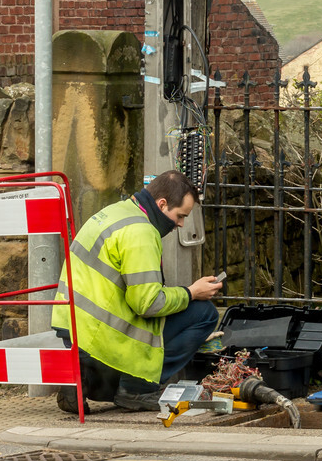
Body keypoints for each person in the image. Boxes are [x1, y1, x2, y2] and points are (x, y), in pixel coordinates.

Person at [51, 170, 222, 413]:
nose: (181, 224)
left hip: (74, 332)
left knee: (168, 310)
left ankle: (86, 378)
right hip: (103, 336)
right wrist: (191, 292)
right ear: (162, 204)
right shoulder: (141, 232)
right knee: (204, 313)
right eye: (180, 216)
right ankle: (137, 387)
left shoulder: (113, 212)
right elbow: (148, 304)